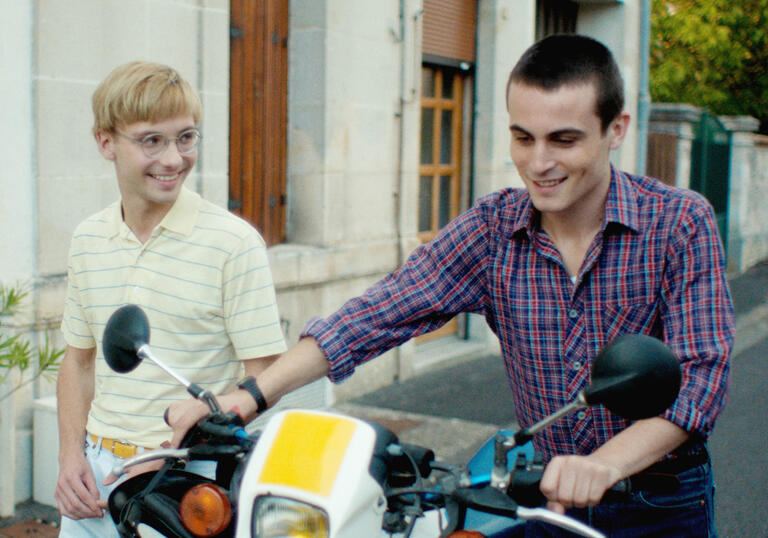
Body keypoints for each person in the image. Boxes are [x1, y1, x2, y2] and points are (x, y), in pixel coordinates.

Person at [169, 34, 734, 536]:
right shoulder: (493, 229)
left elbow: (700, 379)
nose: (538, 163)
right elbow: (375, 315)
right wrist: (246, 398)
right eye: (522, 137)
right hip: (546, 497)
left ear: (617, 130)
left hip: (660, 499)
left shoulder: (680, 222)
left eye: (563, 140)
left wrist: (605, 464)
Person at [55, 61, 287, 537]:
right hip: (93, 478)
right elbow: (78, 362)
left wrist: (170, 453)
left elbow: (267, 377)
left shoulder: (233, 243)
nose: (174, 159)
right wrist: (69, 455)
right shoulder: (87, 238)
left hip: (189, 484)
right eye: (151, 140)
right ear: (105, 142)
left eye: (186, 137)